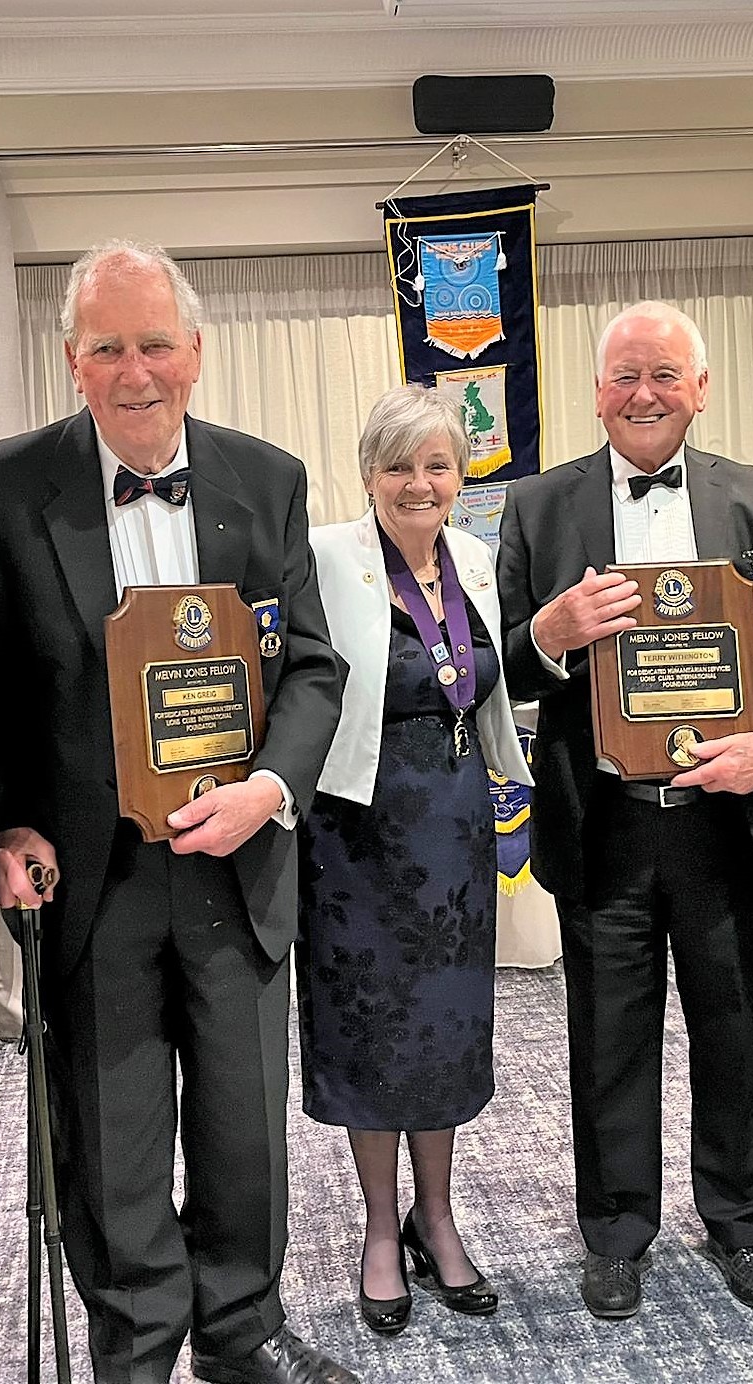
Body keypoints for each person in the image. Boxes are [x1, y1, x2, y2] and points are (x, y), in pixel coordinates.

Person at [0, 240, 354, 1384]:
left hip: (235, 862)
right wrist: (4, 822)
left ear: (195, 352)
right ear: (72, 359)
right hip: (89, 876)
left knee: (241, 1125)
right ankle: (134, 1340)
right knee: (112, 1133)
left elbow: (312, 668)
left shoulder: (264, 478)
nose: (136, 371)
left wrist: (268, 788)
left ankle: (242, 1330)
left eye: (155, 344)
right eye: (108, 347)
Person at [496, 302, 753, 1321]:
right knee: (608, 1036)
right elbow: (498, 665)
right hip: (602, 822)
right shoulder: (538, 507)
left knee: (735, 1031)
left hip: (726, 819)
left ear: (701, 386)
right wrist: (547, 631)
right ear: (596, 392)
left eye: (665, 374)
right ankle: (616, 1233)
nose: (644, 394)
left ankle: (739, 1223)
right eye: (625, 375)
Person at [298, 384, 533, 1336]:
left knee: (442, 1031)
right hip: (355, 832)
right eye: (399, 465)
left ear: (461, 473)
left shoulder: (477, 557)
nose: (419, 482)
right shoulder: (325, 558)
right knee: (368, 1036)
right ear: (368, 475)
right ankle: (377, 1233)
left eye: (438, 464)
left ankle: (436, 1218)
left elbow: (489, 683)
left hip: (454, 833)